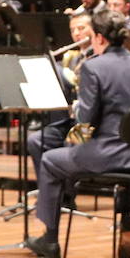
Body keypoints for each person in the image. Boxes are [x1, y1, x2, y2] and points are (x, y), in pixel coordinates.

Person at [25, 11, 130, 258]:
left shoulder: (93, 67)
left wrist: (72, 141)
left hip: (108, 157)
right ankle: (126, 217)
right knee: (94, 160)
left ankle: (50, 238)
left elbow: (87, 121)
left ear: (99, 37)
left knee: (50, 159)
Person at [26, 12, 93, 180]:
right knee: (36, 140)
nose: (77, 33)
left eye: (81, 28)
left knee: (69, 143)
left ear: (93, 30)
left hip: (88, 124)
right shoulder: (71, 58)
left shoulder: (99, 58)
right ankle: (47, 194)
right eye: (73, 30)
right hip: (69, 120)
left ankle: (67, 197)